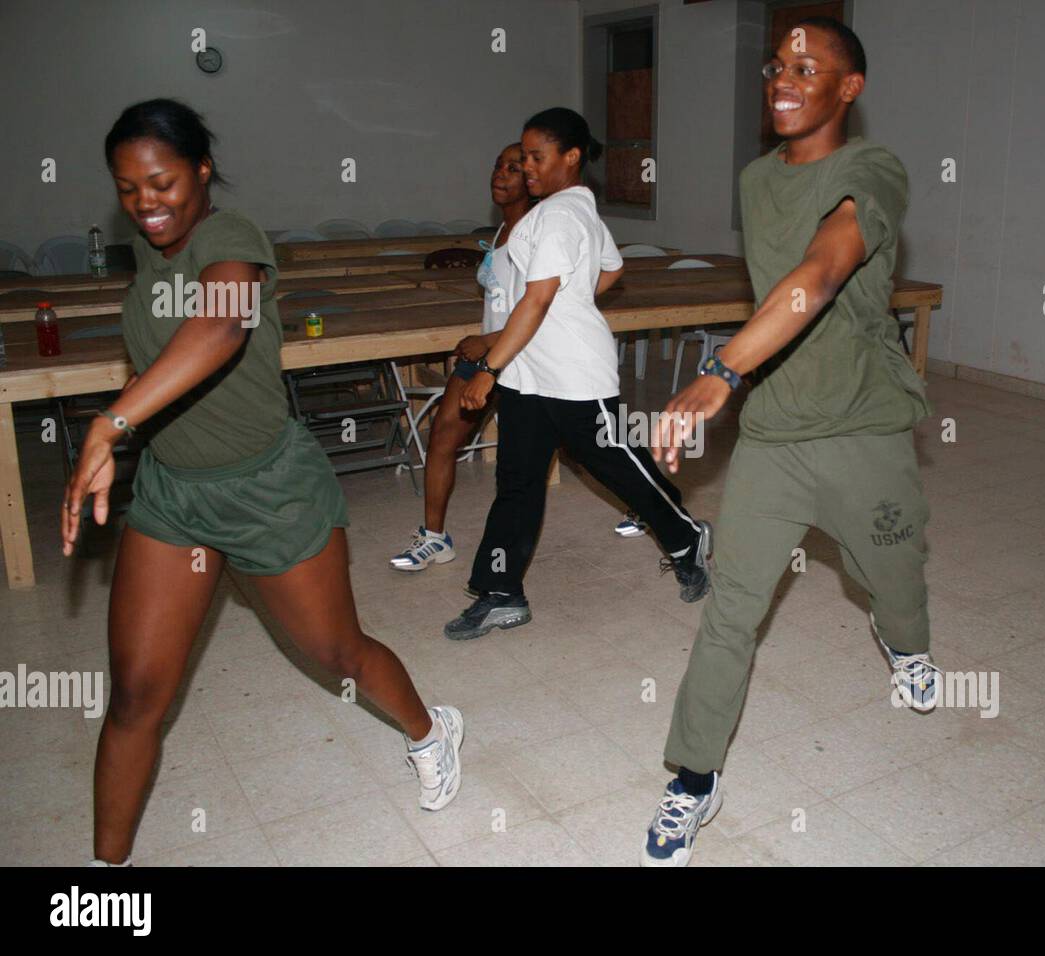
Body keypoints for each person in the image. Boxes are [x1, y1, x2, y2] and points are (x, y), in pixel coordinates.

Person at [66, 99, 463, 867]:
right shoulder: (149, 254)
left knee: (338, 653)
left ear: (203, 170)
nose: (147, 204)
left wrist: (111, 423)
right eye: (128, 190)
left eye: (163, 183)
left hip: (266, 489)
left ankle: (431, 731)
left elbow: (219, 325)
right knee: (137, 697)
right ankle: (101, 886)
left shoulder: (231, 240)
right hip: (174, 494)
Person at [639, 19, 940, 867]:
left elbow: (820, 273)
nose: (782, 78)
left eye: (808, 68)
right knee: (732, 608)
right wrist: (745, 386)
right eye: (776, 65)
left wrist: (719, 375)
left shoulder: (871, 170)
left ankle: (905, 644)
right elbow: (779, 290)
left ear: (849, 89)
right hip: (774, 430)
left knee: (895, 571)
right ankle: (693, 779)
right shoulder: (754, 178)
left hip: (863, 422)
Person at [444, 107, 711, 641]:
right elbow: (609, 268)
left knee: (615, 465)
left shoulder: (561, 215)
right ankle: (500, 592)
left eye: (537, 157)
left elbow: (538, 297)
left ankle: (685, 536)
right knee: (517, 480)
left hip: (571, 373)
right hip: (530, 370)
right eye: (523, 158)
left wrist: (489, 368)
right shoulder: (570, 210)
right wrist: (569, 302)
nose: (527, 167)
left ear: (571, 157)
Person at [390, 142, 532, 571]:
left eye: (513, 168)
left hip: (524, 355)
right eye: (497, 166)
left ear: (534, 179)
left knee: (584, 443)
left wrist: (488, 342)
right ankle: (435, 538)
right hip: (486, 353)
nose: (499, 174)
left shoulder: (533, 234)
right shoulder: (502, 232)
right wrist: (485, 345)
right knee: (442, 439)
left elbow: (540, 311)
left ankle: (648, 509)